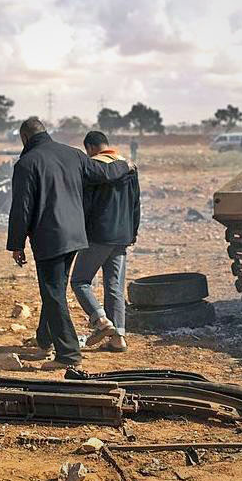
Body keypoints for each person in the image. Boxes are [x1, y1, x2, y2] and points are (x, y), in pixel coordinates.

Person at [6, 118, 133, 370]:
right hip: (76, 236)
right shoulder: (73, 154)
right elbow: (103, 173)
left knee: (52, 292)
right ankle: (46, 338)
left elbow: (21, 208)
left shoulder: (26, 164)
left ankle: (68, 354)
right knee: (55, 290)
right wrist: (125, 165)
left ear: (24, 139)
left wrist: (16, 244)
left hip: (49, 237)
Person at [71, 131, 140, 352]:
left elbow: (86, 205)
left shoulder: (94, 168)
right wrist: (132, 232)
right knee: (115, 288)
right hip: (122, 236)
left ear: (90, 148)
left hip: (98, 235)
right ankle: (118, 339)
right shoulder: (127, 165)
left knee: (80, 281)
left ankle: (101, 320)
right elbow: (135, 204)